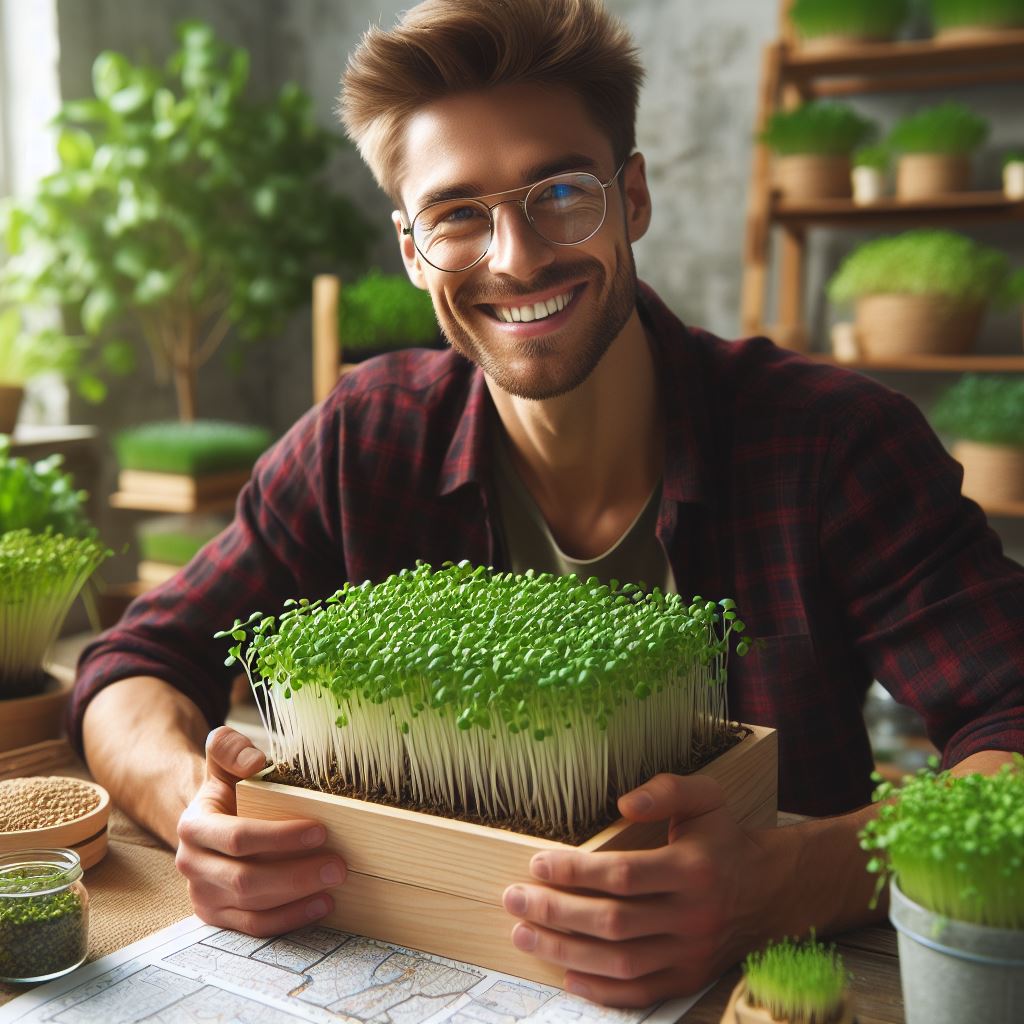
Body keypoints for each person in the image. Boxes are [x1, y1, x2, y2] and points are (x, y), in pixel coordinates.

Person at [71, 0, 1024, 1008]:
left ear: (633, 197)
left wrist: (780, 882)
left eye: (560, 192)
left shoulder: (829, 442)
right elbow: (132, 664)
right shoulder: (363, 437)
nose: (516, 256)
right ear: (410, 248)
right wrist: (195, 811)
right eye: (457, 215)